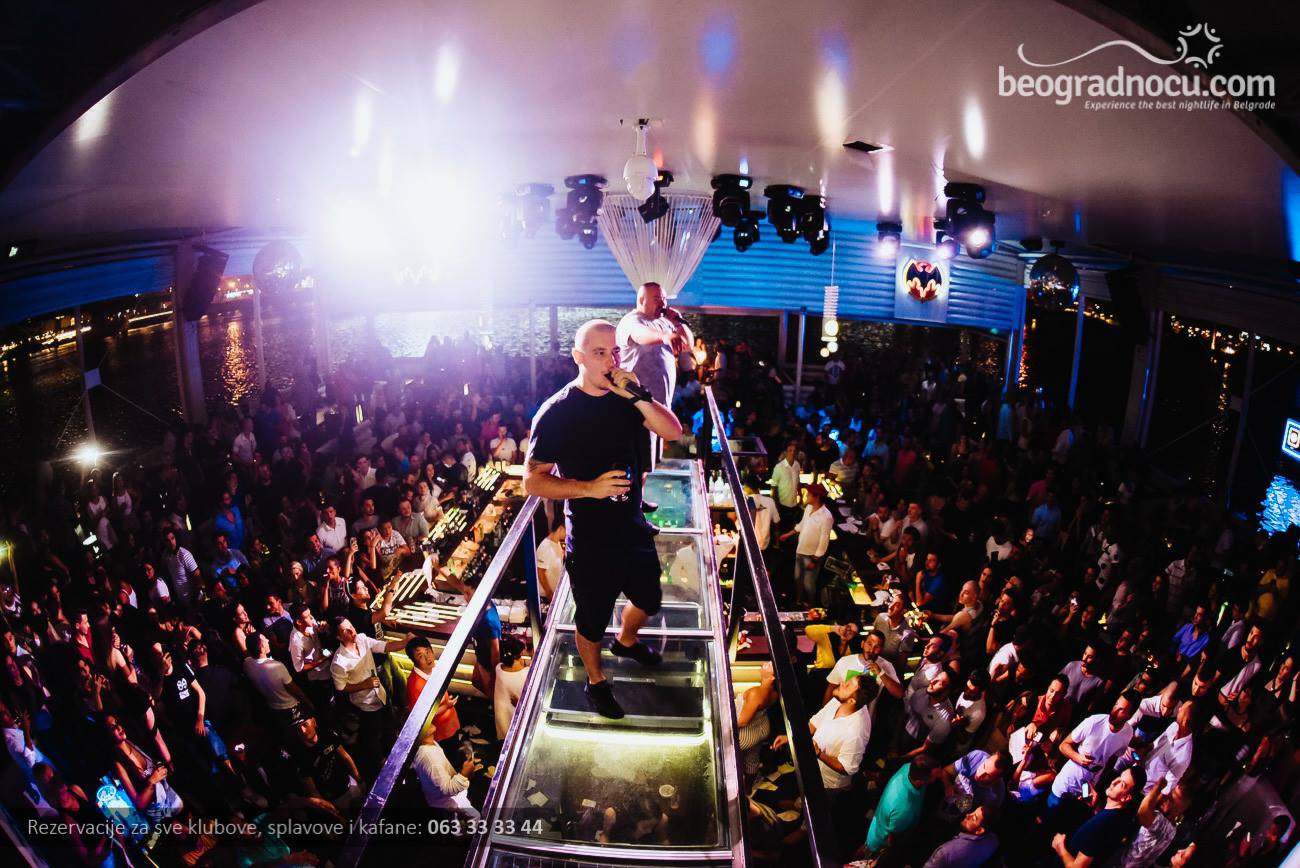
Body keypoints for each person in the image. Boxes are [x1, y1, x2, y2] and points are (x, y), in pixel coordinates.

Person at [523, 319, 683, 719]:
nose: (611, 361)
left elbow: (673, 431)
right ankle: (595, 682)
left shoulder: (626, 397)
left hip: (632, 525)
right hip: (591, 538)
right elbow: (532, 481)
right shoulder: (557, 412)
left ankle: (626, 641)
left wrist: (638, 395)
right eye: (599, 353)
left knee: (648, 598)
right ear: (578, 357)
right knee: (591, 622)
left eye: (614, 352)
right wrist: (588, 488)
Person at [1049, 691, 1138, 808]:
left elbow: (1113, 759)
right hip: (1069, 780)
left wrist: (1099, 781)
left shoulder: (1128, 733)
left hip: (1089, 784)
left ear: (1130, 716)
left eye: (1121, 710)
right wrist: (1078, 757)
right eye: (1116, 705)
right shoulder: (1094, 722)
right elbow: (1063, 745)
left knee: (1073, 812)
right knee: (1052, 809)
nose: (1114, 711)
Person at [1050, 765, 1145, 868]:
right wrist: (1096, 807)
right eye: (1119, 777)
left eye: (1122, 784)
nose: (1114, 782)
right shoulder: (1118, 815)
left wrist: (1060, 847)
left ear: (1126, 798)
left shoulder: (1103, 824)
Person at [862, 754, 944, 858]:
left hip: (878, 827)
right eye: (936, 776)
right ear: (920, 781)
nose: (941, 776)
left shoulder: (908, 767)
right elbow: (892, 839)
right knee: (866, 855)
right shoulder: (904, 808)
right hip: (879, 842)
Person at [779, 483, 832, 607]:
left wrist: (815, 560)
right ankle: (799, 601)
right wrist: (788, 534)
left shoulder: (826, 517)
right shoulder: (808, 508)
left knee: (809, 583)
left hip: (812, 556)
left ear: (816, 497)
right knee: (798, 578)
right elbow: (802, 524)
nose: (806, 496)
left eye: (809, 494)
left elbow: (824, 541)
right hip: (800, 551)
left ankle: (810, 605)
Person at [412, 725, 480, 821]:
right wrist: (464, 773)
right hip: (446, 801)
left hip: (443, 800)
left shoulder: (430, 744)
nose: (428, 719)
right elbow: (447, 789)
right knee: (476, 816)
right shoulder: (430, 757)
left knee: (453, 818)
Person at [923, 802, 999, 867]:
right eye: (973, 812)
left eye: (973, 818)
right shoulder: (994, 841)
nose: (968, 815)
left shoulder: (944, 853)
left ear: (979, 830)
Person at [494, 634, 529, 740]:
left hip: (502, 720)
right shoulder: (527, 674)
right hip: (518, 721)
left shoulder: (498, 668)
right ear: (521, 652)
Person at [535, 521, 566, 600]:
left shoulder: (557, 543)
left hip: (555, 594)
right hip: (546, 597)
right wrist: (549, 593)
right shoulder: (545, 546)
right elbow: (540, 572)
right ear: (560, 528)